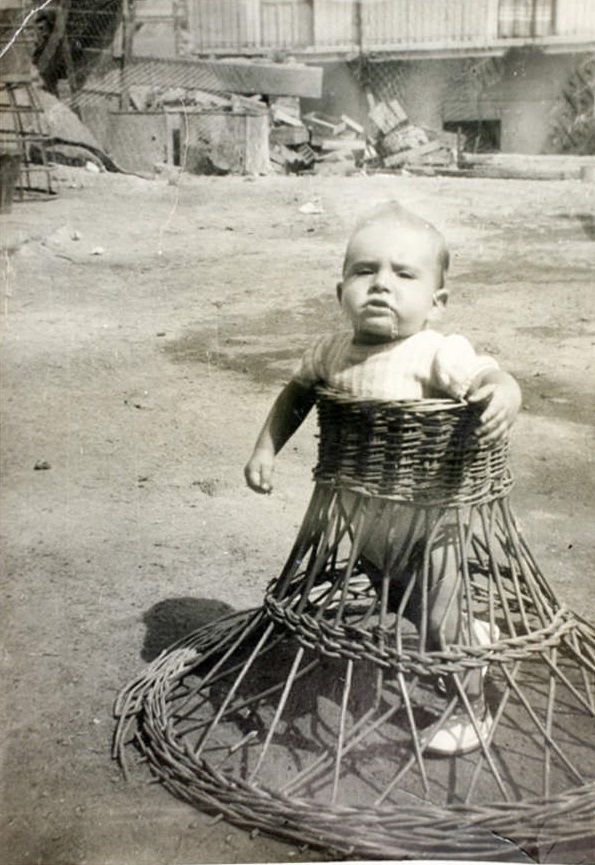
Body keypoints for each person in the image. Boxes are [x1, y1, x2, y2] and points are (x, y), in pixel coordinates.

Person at [244, 201, 521, 755]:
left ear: (437, 302)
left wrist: (505, 391)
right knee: (399, 598)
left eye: (403, 274)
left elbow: (485, 373)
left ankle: (472, 703)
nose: (380, 285)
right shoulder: (329, 350)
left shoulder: (435, 351)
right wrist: (265, 449)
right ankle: (466, 625)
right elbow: (297, 394)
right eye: (364, 271)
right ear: (339, 288)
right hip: (359, 522)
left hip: (427, 526)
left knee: (440, 616)